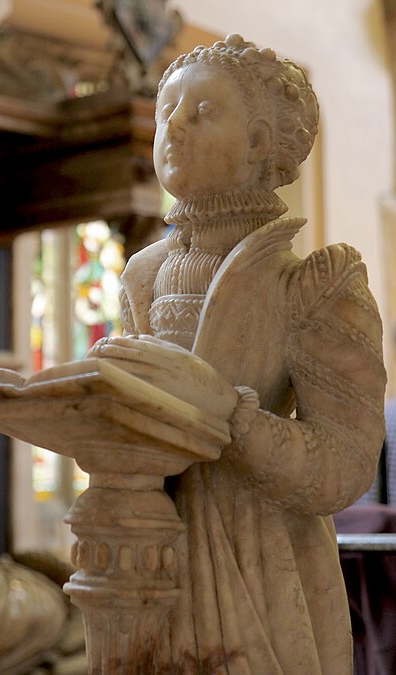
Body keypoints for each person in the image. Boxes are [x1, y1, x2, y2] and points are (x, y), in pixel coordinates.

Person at [89, 34, 386, 674]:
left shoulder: (312, 284)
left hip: (260, 565)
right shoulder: (143, 276)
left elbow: (347, 463)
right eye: (166, 112)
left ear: (256, 143)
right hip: (150, 554)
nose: (173, 129)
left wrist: (234, 419)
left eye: (200, 113)